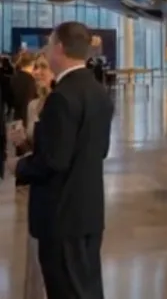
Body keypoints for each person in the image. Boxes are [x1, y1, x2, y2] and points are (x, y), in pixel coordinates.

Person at [15, 21, 115, 299]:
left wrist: (19, 165)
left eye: (48, 45)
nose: (45, 51)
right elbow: (100, 150)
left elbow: (53, 161)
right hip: (89, 213)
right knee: (87, 287)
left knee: (65, 290)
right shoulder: (98, 93)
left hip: (61, 217)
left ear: (59, 48)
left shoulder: (62, 98)